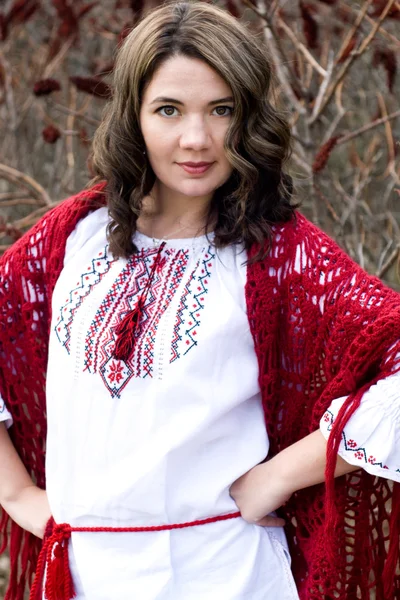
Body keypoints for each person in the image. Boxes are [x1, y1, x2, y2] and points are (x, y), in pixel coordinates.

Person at [0, 1, 399, 599]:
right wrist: (16, 493)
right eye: (168, 109)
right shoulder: (72, 236)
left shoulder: (281, 256)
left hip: (223, 573)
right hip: (82, 574)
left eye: (223, 110)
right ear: (133, 117)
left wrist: (278, 478)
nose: (197, 138)